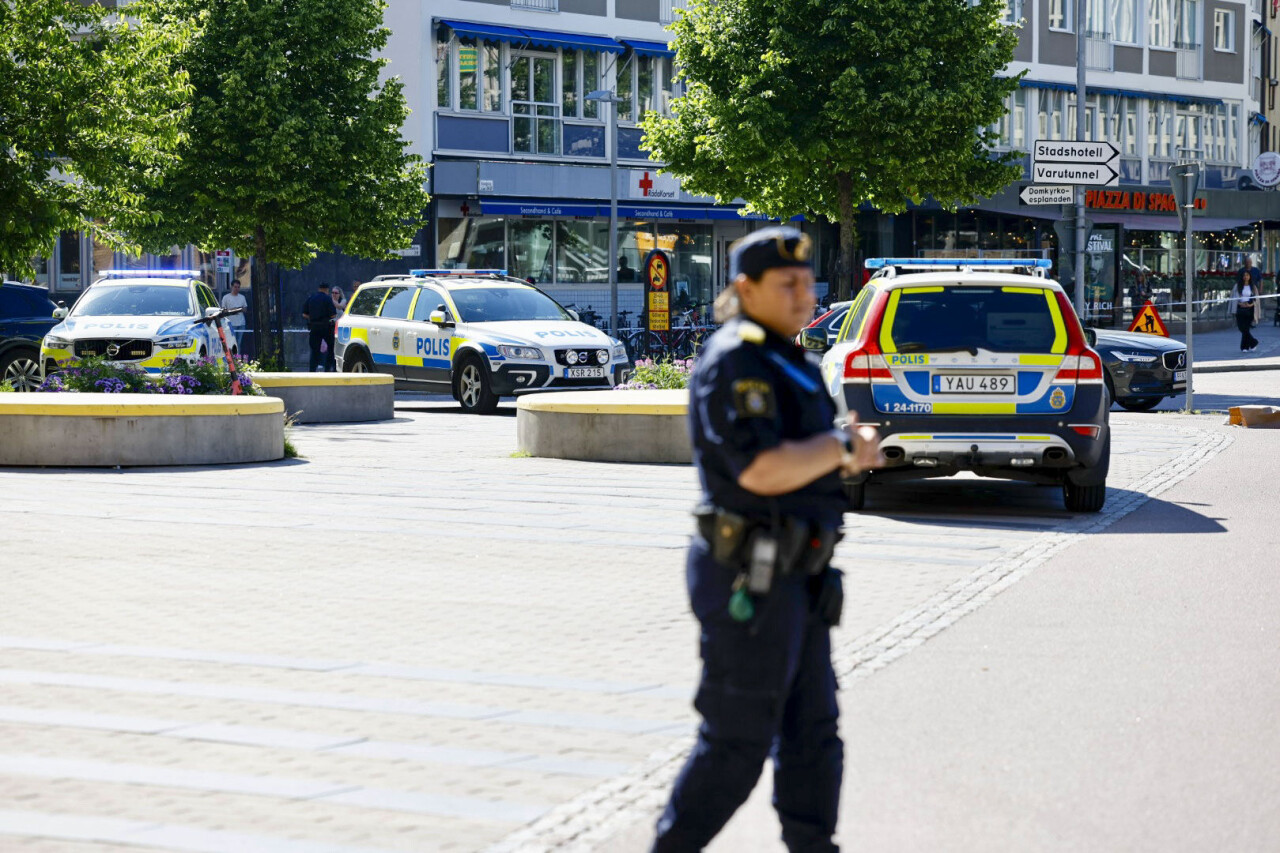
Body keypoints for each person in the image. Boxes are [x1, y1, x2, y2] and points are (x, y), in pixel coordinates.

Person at [651, 226, 883, 852]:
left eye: (807, 283)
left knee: (813, 735)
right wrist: (840, 447)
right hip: (746, 578)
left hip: (798, 575)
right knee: (736, 742)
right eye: (787, 284)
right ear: (744, 289)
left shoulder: (786, 356)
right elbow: (761, 468)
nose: (803, 294)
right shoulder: (737, 358)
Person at [302, 281, 338, 371]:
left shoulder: (311, 298)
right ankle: (327, 369)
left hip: (314, 327)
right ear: (327, 290)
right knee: (331, 348)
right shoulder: (328, 299)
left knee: (314, 350)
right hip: (326, 327)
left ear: (319, 289)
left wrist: (313, 317)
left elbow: (304, 314)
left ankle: (312, 370)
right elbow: (333, 315)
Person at [1234, 269, 1261, 352]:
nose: (1246, 277)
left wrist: (1250, 304)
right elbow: (1234, 298)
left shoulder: (1253, 287)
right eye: (1244, 275)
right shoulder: (1237, 286)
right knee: (1242, 328)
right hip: (1240, 309)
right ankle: (1253, 342)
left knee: (1246, 328)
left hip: (1249, 309)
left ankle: (1244, 347)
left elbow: (1256, 299)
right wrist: (1239, 303)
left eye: (1247, 275)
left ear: (1250, 277)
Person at [219, 280, 248, 347]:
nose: (237, 289)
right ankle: (231, 357)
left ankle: (237, 356)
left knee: (239, 343)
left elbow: (245, 309)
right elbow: (223, 310)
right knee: (231, 343)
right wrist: (234, 310)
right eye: (235, 287)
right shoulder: (226, 297)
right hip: (230, 323)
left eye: (238, 287)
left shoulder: (242, 297)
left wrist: (239, 309)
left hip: (241, 323)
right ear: (231, 287)